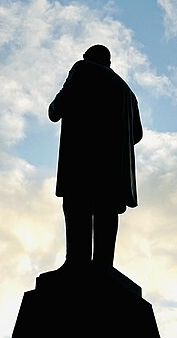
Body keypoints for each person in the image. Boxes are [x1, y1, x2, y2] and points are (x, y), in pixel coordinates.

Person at [48, 44, 143, 270]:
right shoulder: (128, 93)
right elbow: (137, 135)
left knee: (77, 206)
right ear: (109, 63)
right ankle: (103, 264)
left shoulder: (82, 69)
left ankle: (76, 261)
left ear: (87, 57)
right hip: (114, 169)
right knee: (106, 212)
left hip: (82, 159)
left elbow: (56, 111)